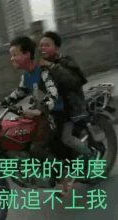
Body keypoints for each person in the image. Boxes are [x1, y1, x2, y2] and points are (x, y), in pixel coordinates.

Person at [38, 31, 98, 196]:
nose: (43, 47)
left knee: (66, 138)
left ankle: (89, 154)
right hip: (56, 111)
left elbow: (74, 81)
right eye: (41, 45)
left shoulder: (66, 61)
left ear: (56, 47)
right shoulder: (42, 66)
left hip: (72, 110)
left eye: (47, 44)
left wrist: (51, 67)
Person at [0, 36, 58, 165]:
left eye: (15, 55)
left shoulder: (43, 72)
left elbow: (53, 94)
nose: (12, 58)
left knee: (36, 149)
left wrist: (38, 111)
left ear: (27, 54)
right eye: (11, 55)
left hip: (53, 115)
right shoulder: (26, 76)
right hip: (38, 115)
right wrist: (0, 104)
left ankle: (63, 173)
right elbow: (19, 93)